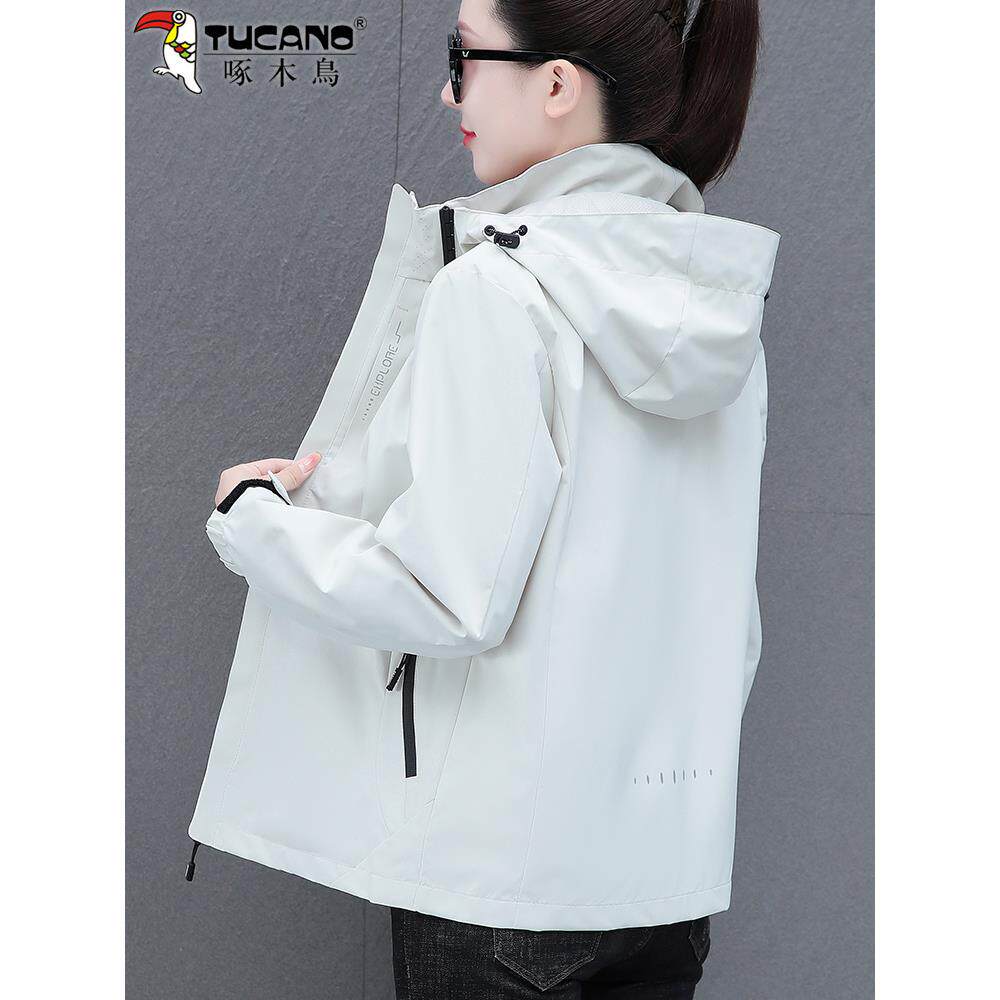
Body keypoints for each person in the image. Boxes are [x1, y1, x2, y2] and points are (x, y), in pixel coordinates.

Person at [191, 1, 779, 997]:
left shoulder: (496, 288)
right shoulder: (714, 309)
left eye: (464, 55)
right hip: (666, 880)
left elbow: (446, 594)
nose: (447, 89)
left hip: (501, 880)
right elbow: (730, 625)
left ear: (556, 84)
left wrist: (257, 524)